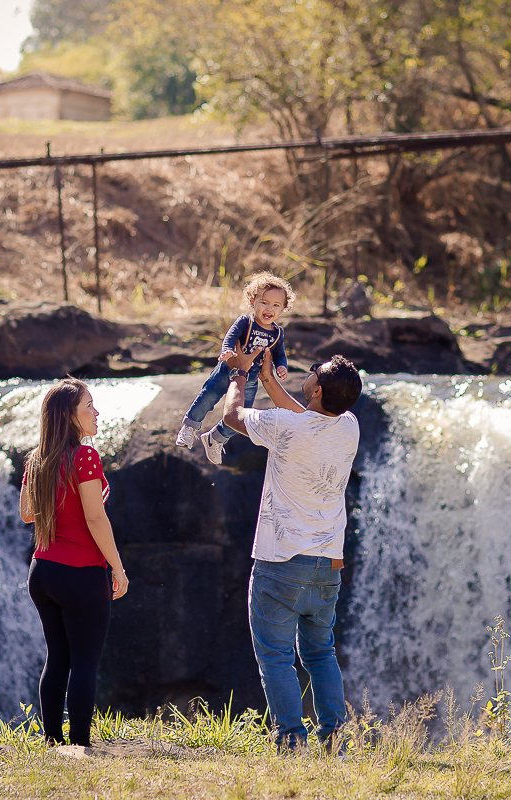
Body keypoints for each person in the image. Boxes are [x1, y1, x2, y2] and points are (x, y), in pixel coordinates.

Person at [219, 347, 363, 751]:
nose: (311, 373)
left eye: (314, 373)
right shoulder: (348, 424)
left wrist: (239, 375)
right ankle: (334, 736)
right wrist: (270, 380)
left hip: (281, 563)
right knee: (320, 652)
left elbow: (232, 417)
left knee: (277, 658)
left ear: (316, 390)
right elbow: (307, 417)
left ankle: (290, 739)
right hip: (327, 565)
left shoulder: (286, 426)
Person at [19, 378, 129, 748]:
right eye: (89, 407)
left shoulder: (38, 459)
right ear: (69, 416)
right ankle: (79, 744)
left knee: (58, 659)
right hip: (80, 573)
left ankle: (52, 743)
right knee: (84, 662)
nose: (96, 413)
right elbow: (96, 518)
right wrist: (118, 567)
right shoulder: (84, 456)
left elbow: (26, 514)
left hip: (43, 571)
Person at [175, 271, 295, 465]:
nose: (269, 308)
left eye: (276, 305)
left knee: (241, 413)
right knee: (209, 395)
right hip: (228, 368)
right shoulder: (245, 322)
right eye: (264, 302)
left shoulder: (278, 333)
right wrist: (227, 351)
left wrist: (281, 367)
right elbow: (230, 338)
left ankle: (216, 438)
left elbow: (280, 354)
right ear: (252, 301)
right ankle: (190, 426)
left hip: (251, 376)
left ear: (283, 309)